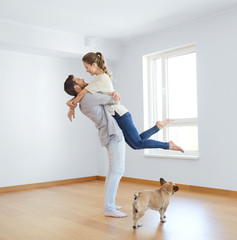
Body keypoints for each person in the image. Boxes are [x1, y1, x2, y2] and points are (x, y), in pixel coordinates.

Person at [66, 52, 184, 153]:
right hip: (119, 114)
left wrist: (72, 106)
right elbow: (82, 94)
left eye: (86, 67)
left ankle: (168, 145)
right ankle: (158, 127)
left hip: (119, 114)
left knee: (136, 144)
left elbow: (82, 94)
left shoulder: (98, 79)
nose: (86, 71)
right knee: (136, 142)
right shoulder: (100, 78)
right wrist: (71, 102)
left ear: (94, 65)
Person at [64, 76, 127, 218]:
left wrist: (70, 102)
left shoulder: (81, 102)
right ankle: (109, 208)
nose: (82, 78)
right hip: (112, 133)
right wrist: (114, 94)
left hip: (106, 134)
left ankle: (109, 204)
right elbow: (114, 100)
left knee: (112, 171)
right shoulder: (88, 98)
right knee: (117, 171)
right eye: (78, 79)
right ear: (76, 87)